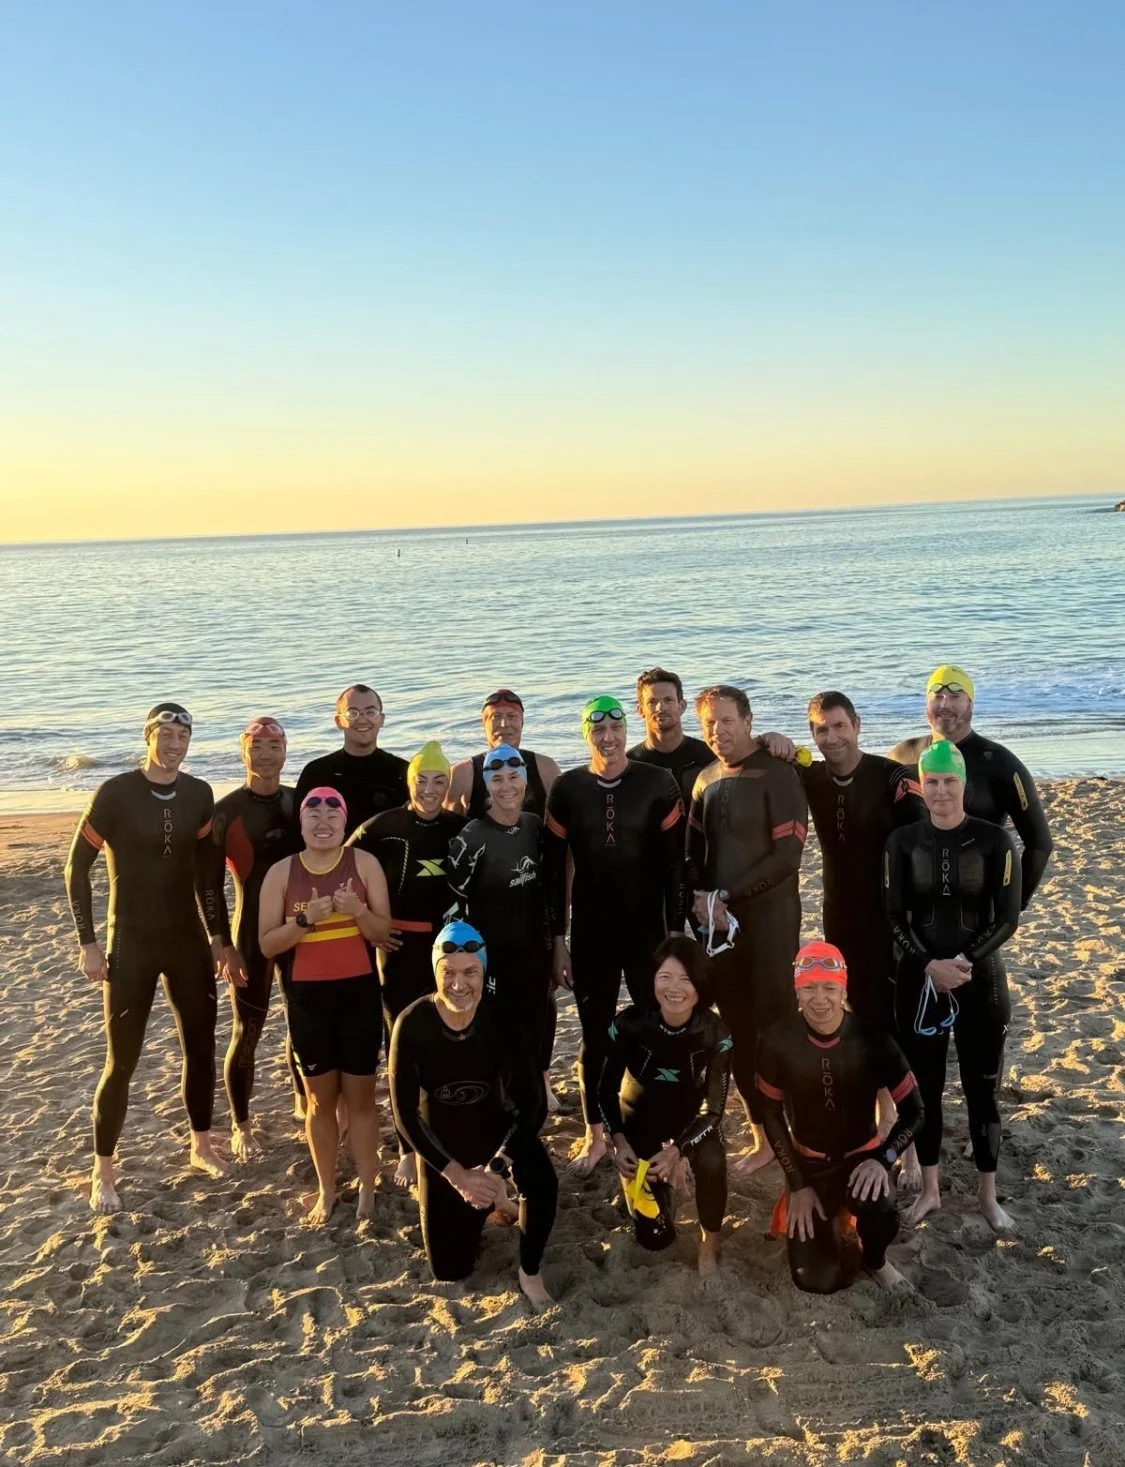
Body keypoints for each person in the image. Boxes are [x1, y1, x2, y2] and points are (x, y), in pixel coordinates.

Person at [64, 702, 226, 1213]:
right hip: (130, 941)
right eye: (166, 734)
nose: (175, 744)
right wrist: (88, 943)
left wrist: (218, 937)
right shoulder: (115, 793)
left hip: (186, 941)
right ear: (148, 736)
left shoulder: (200, 794)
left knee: (201, 1048)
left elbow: (207, 876)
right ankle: (103, 1170)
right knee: (122, 1061)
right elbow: (76, 868)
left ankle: (201, 1146)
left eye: (183, 736)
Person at [883, 739, 1021, 1230]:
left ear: (964, 784)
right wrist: (929, 965)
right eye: (932, 782)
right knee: (925, 1091)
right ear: (921, 786)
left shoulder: (995, 841)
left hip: (979, 978)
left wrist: (962, 961)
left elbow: (1007, 919)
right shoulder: (902, 842)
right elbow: (894, 915)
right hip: (920, 979)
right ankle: (932, 1190)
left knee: (982, 1093)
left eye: (950, 781)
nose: (941, 791)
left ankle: (988, 1195)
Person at [544, 696, 685, 1175]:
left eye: (615, 727)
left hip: (648, 932)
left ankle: (659, 1122)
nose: (607, 737)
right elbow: (553, 870)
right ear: (586, 734)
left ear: (627, 729)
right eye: (597, 729)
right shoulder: (568, 788)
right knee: (594, 1032)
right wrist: (558, 940)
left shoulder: (657, 782)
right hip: (592, 932)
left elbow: (676, 866)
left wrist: (675, 935)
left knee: (658, 1027)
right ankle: (595, 1133)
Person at [388, 922, 558, 1308]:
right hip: (444, 1141)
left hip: (494, 1125)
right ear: (435, 972)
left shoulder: (503, 1017)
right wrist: (459, 1176)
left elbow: (534, 1104)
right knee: (450, 1269)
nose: (459, 984)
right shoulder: (412, 1024)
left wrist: (497, 1169)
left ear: (484, 973)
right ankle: (490, 1202)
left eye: (470, 972)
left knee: (543, 1181)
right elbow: (405, 1115)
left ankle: (529, 1271)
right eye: (449, 972)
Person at [685, 685, 808, 1174]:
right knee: (736, 1029)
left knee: (777, 1027)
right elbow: (694, 855)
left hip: (771, 921)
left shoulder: (777, 774)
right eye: (709, 723)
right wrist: (698, 900)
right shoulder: (705, 779)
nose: (718, 731)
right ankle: (762, 1136)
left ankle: (797, 1130)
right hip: (721, 928)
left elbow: (788, 857)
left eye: (727, 720)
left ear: (748, 720)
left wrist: (726, 896)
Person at [757, 942, 923, 1294]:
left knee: (880, 1208)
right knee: (817, 1280)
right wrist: (797, 1184)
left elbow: (915, 1112)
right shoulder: (777, 1041)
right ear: (797, 991)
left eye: (829, 988)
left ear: (844, 990)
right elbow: (769, 1113)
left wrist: (883, 1160)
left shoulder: (873, 1039)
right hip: (809, 1166)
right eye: (809, 988)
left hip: (862, 1159)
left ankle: (876, 1260)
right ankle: (835, 1226)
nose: (820, 999)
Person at [258, 787, 392, 1225]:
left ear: (344, 823)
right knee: (319, 1102)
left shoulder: (364, 864)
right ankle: (327, 1190)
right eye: (313, 816)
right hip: (308, 1001)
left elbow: (382, 934)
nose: (323, 823)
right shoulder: (281, 873)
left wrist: (357, 911)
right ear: (301, 825)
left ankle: (368, 1187)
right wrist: (304, 920)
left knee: (362, 1100)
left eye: (332, 817)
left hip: (358, 996)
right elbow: (267, 944)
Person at [347, 741, 465, 1188]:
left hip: (449, 949)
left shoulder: (461, 827)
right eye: (422, 780)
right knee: (399, 1042)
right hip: (398, 949)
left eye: (439, 781)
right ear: (409, 782)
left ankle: (447, 1128)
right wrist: (367, 923)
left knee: (450, 1036)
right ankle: (406, 1147)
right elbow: (341, 869)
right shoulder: (382, 827)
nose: (430, 790)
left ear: (448, 785)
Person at [600, 935, 731, 1277]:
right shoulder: (629, 1024)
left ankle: (709, 1243)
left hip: (689, 1124)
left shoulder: (716, 1033)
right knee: (655, 1237)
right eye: (665, 977)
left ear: (701, 984)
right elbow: (605, 1091)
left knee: (713, 1160)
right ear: (652, 980)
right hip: (638, 1123)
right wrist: (620, 1142)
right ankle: (659, 1183)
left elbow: (713, 1111)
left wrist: (677, 1150)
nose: (674, 989)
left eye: (686, 979)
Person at [207, 717, 303, 1158]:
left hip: (300, 928)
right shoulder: (225, 812)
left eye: (273, 746)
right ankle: (241, 1124)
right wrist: (221, 943)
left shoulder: (298, 801)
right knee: (248, 1029)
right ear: (243, 751)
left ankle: (303, 1099)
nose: (266, 755)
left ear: (285, 751)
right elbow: (207, 884)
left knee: (303, 1021)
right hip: (249, 932)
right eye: (257, 747)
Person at [799, 691, 924, 1028]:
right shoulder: (811, 777)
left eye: (839, 726)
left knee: (896, 1005)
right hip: (839, 911)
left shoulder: (893, 777)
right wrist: (771, 739)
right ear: (812, 734)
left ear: (857, 725)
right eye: (822, 730)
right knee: (856, 1001)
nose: (832, 737)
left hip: (890, 911)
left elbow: (924, 843)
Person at [448, 744, 559, 1110]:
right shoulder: (472, 836)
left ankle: (529, 1109)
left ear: (525, 782)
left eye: (514, 777)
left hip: (534, 952)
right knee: (500, 1038)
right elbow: (452, 905)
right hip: (492, 958)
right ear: (487, 785)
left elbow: (550, 890)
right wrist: (460, 961)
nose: (507, 786)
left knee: (534, 1034)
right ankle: (500, 1109)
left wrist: (556, 943)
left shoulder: (533, 826)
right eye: (497, 779)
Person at [888, 663, 1053, 910]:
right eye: (937, 696)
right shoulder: (902, 757)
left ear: (971, 705)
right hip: (915, 910)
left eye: (955, 696)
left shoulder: (999, 763)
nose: (945, 704)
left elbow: (1039, 843)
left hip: (977, 911)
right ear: (926, 704)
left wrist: (1012, 905)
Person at [295, 684, 409, 836]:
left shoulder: (403, 771)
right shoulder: (316, 772)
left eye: (371, 712)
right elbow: (298, 833)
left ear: (381, 719)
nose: (362, 720)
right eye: (352, 713)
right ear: (339, 721)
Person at [446, 689, 562, 819]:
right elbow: (447, 826)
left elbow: (564, 822)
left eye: (512, 716)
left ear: (522, 722)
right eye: (496, 716)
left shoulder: (546, 768)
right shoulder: (462, 774)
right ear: (483, 723)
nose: (504, 724)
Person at [627, 667, 715, 805]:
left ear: (682, 706)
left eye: (668, 700)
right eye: (652, 702)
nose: (660, 708)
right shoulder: (630, 764)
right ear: (640, 710)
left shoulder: (708, 756)